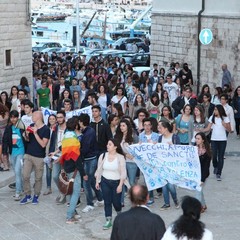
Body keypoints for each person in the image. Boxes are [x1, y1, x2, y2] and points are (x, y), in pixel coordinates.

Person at [59, 117, 87, 224]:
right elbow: (77, 159)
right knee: (76, 193)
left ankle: (73, 212)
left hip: (67, 167)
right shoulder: (74, 140)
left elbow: (62, 149)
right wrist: (83, 173)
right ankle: (69, 216)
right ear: (76, 126)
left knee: (71, 191)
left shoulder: (66, 137)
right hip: (74, 170)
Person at [95, 139, 127, 230]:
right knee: (107, 201)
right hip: (105, 182)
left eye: (110, 144)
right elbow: (99, 169)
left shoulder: (120, 157)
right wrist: (98, 181)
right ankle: (108, 220)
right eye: (107, 144)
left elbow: (123, 173)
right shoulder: (103, 156)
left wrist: (120, 185)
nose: (107, 146)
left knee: (116, 202)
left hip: (116, 182)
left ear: (115, 147)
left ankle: (119, 214)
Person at [20, 111, 50, 205]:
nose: (32, 117)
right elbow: (28, 140)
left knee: (38, 178)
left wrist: (35, 133)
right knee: (25, 175)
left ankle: (36, 196)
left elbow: (43, 144)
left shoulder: (46, 129)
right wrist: (26, 135)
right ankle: (27, 195)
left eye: (33, 115)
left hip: (39, 157)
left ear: (38, 117)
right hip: (28, 154)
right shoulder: (31, 125)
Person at [78, 113, 104, 213]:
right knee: (92, 180)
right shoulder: (85, 131)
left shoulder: (89, 132)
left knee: (86, 182)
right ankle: (100, 198)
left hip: (90, 159)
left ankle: (90, 204)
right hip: (87, 159)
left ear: (81, 122)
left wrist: (78, 154)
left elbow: (85, 148)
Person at [201, 105, 231, 181]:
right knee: (214, 155)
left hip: (222, 140)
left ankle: (219, 173)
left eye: (216, 110)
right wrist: (201, 130)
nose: (215, 111)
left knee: (220, 156)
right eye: (214, 110)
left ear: (220, 111)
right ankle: (215, 166)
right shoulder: (212, 117)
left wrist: (225, 125)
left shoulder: (225, 118)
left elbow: (230, 130)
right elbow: (208, 128)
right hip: (214, 139)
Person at [2, 110, 25, 200]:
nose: (13, 119)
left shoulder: (22, 127)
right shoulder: (9, 128)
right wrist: (4, 153)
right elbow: (5, 141)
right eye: (11, 117)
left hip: (21, 152)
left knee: (17, 171)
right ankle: (21, 187)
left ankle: (18, 192)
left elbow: (27, 139)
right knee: (16, 172)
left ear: (17, 117)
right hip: (13, 153)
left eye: (14, 117)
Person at [158, 121, 180, 210]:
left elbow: (180, 151)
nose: (158, 130)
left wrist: (173, 146)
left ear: (166, 128)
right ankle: (166, 203)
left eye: (160, 128)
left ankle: (175, 200)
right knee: (164, 184)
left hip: (172, 165)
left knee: (170, 185)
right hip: (162, 165)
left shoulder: (175, 137)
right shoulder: (160, 138)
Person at [138, 117, 159, 205]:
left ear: (151, 126)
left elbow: (157, 148)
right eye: (145, 125)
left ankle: (151, 196)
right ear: (143, 126)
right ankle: (149, 197)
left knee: (151, 179)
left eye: (148, 125)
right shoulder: (141, 135)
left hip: (153, 160)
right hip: (144, 161)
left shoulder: (156, 135)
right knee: (146, 179)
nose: (147, 127)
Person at [49, 110, 67, 204]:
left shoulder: (68, 129)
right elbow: (52, 141)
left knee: (64, 176)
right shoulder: (55, 128)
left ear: (64, 117)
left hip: (66, 155)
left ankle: (65, 194)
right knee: (55, 176)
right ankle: (62, 192)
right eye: (58, 117)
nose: (59, 119)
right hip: (56, 155)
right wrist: (50, 154)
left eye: (61, 117)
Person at [195, 132, 212, 213]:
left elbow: (206, 167)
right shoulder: (194, 149)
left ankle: (198, 208)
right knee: (200, 191)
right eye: (196, 138)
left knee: (198, 190)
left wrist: (202, 179)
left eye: (198, 139)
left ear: (203, 140)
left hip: (203, 174)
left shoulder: (207, 152)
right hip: (196, 174)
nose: (196, 140)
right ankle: (203, 205)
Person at [43, 114, 57, 195]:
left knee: (56, 172)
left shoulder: (58, 129)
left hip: (56, 152)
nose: (51, 120)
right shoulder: (47, 129)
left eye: (53, 119)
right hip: (47, 152)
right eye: (50, 119)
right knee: (48, 171)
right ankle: (48, 187)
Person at [0, 103, 9, 171]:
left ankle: (3, 164)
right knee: (5, 148)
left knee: (2, 148)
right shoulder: (6, 112)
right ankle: (6, 164)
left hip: (1, 132)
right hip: (6, 131)